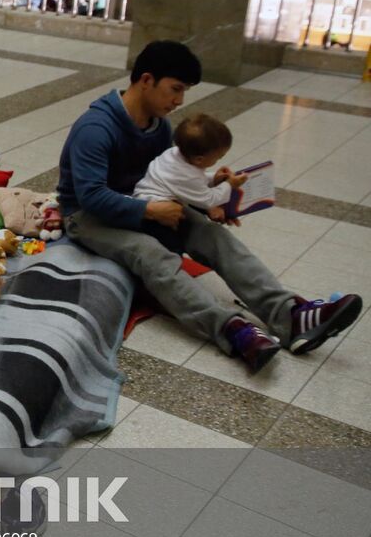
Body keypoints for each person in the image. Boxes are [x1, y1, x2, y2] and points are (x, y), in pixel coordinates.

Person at [58, 40, 362, 372]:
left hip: (145, 201)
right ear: (146, 80)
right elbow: (90, 197)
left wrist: (212, 205)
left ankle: (290, 316)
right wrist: (150, 211)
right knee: (150, 253)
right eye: (175, 89)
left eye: (184, 91)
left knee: (211, 235)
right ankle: (234, 331)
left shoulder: (159, 128)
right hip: (86, 215)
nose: (179, 101)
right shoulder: (96, 128)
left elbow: (172, 179)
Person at [133, 113, 248, 221]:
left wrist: (214, 178)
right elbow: (209, 199)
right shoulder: (186, 176)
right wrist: (230, 185)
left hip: (144, 197)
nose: (218, 160)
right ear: (199, 159)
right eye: (218, 157)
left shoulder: (174, 153)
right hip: (155, 210)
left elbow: (194, 179)